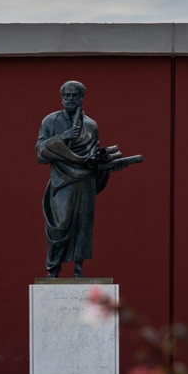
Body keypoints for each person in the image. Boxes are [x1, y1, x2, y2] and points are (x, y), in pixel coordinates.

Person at [35, 80, 139, 278]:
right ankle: (53, 269)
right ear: (61, 98)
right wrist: (64, 136)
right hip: (62, 180)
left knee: (83, 223)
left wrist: (108, 165)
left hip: (85, 180)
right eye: (67, 96)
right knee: (60, 224)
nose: (71, 99)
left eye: (75, 95)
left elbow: (92, 157)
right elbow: (40, 152)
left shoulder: (90, 125)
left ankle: (78, 270)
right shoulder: (50, 121)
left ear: (82, 98)